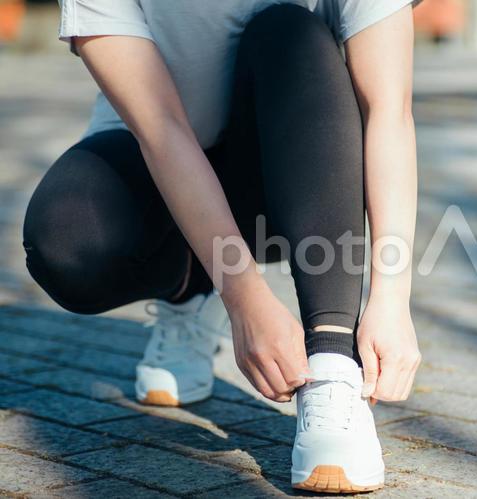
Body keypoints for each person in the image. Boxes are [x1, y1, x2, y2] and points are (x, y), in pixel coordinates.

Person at [22, 0, 421, 493]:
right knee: (66, 243)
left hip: (293, 176)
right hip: (160, 162)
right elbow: (162, 130)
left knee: (288, 30)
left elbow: (388, 109)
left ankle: (334, 365)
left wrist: (391, 297)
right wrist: (243, 296)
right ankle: (190, 289)